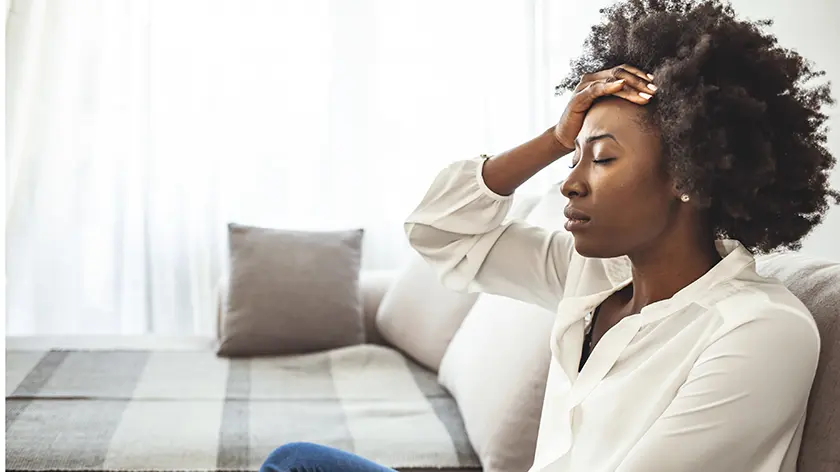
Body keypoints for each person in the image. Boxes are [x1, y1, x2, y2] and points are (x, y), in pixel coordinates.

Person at [260, 0, 838, 471]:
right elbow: (439, 231)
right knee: (296, 462)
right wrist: (554, 137)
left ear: (688, 175)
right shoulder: (593, 277)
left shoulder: (759, 330)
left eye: (602, 159)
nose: (570, 185)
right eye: (572, 159)